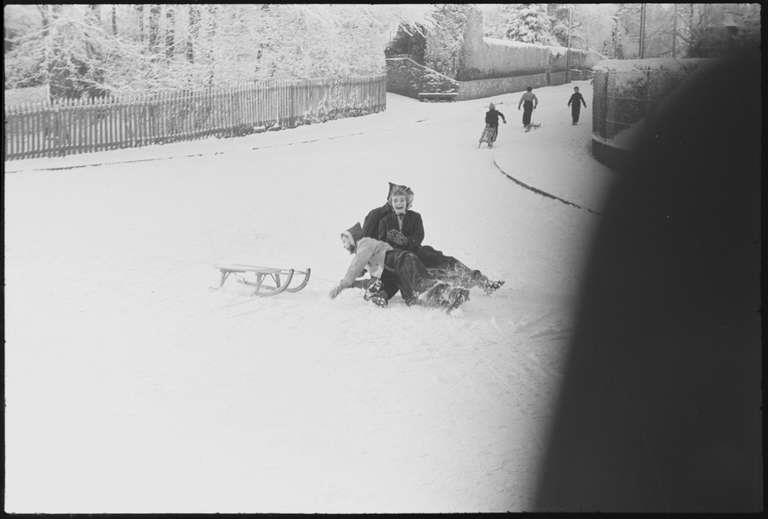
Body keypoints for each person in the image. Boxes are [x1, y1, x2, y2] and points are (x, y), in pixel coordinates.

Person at [366, 183, 504, 301]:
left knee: (432, 254)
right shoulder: (385, 221)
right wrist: (394, 243)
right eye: (396, 201)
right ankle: (433, 291)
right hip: (395, 256)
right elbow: (382, 244)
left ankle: (478, 279)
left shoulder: (415, 217)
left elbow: (419, 236)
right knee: (409, 258)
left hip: (412, 248)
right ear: (391, 203)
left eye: (401, 200)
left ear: (407, 202)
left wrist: (407, 241)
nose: (399, 203)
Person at [328, 222, 470, 312]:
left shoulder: (364, 243)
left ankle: (452, 292)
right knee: (413, 297)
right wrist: (353, 284)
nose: (344, 245)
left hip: (400, 260)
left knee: (421, 283)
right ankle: (447, 297)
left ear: (353, 238)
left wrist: (342, 285)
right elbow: (374, 280)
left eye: (345, 241)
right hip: (395, 272)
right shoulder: (370, 260)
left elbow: (355, 265)